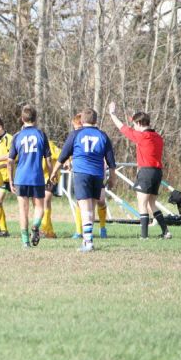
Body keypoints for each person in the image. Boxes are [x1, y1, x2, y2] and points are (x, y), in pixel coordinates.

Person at [51, 108, 117, 252]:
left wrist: (54, 171)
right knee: (91, 208)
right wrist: (112, 178)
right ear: (96, 120)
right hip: (97, 174)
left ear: (82, 121)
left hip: (82, 173)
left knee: (84, 208)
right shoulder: (103, 135)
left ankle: (88, 242)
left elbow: (63, 156)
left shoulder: (76, 134)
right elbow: (111, 161)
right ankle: (88, 240)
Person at [109, 102, 171, 239]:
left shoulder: (142, 136)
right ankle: (166, 232)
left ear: (139, 124)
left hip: (146, 171)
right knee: (152, 203)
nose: (133, 127)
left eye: (135, 124)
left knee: (142, 203)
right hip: (157, 171)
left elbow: (122, 127)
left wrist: (112, 114)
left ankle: (144, 236)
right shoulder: (158, 137)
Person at [7, 106, 52, 248]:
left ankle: (25, 241)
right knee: (39, 207)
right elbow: (49, 160)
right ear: (36, 118)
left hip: (20, 178)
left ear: (22, 119)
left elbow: (10, 161)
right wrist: (51, 177)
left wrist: (10, 179)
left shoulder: (17, 136)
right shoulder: (41, 135)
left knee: (23, 210)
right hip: (37, 177)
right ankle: (35, 226)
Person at [67, 114, 109, 239]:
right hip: (82, 173)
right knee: (82, 203)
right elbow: (69, 152)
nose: (76, 130)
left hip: (96, 172)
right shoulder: (76, 136)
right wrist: (67, 162)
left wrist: (106, 166)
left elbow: (104, 154)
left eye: (77, 127)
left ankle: (102, 227)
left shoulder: (96, 135)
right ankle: (80, 231)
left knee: (99, 201)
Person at [40, 139, 61, 239]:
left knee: (45, 200)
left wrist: (67, 162)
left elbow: (61, 155)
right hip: (37, 178)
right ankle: (50, 232)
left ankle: (44, 229)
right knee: (41, 204)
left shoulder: (49, 144)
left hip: (51, 177)